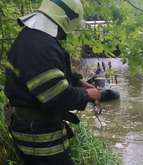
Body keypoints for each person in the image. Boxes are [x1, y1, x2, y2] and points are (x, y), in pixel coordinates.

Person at [4, 0, 101, 164]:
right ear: (65, 20)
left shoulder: (31, 37)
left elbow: (48, 75)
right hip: (39, 137)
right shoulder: (40, 46)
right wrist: (88, 94)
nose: (63, 34)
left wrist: (78, 82)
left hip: (31, 129)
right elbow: (57, 97)